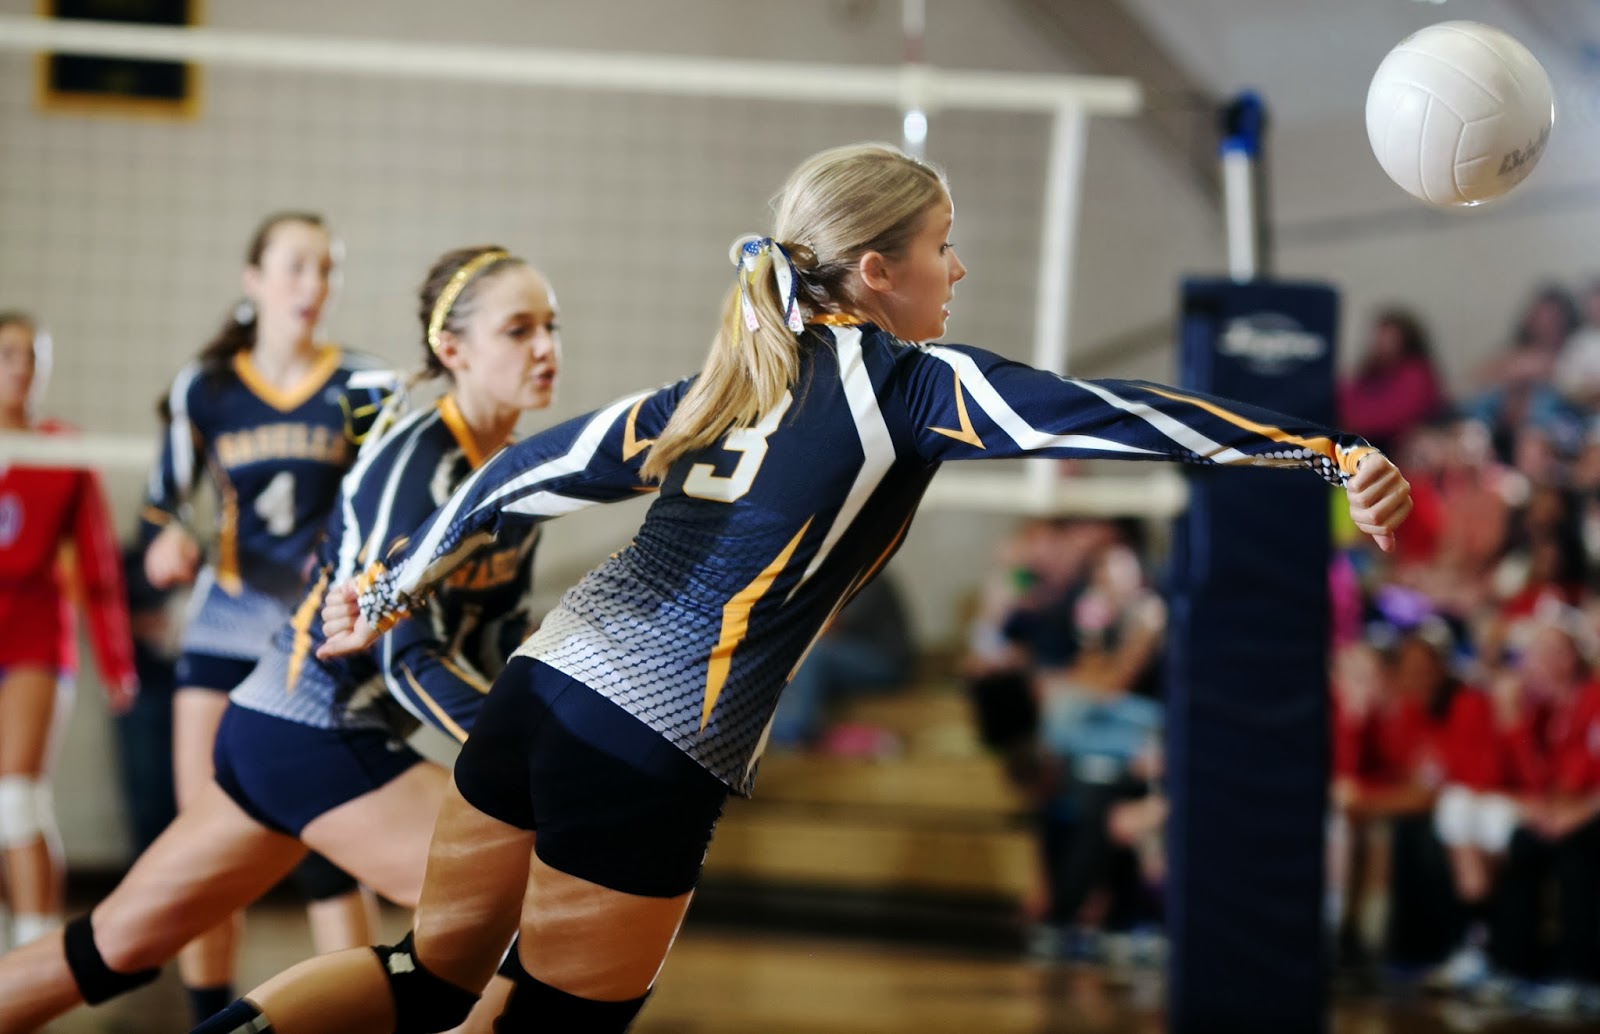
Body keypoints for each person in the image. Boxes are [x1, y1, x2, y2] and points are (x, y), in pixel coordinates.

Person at [205, 142, 1413, 1034]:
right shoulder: (915, 384)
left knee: (432, 976)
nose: (958, 268)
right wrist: (1325, 451)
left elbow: (530, 468)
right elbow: (1120, 416)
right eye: (942, 246)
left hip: (536, 695)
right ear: (879, 271)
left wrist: (400, 580)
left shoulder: (727, 376)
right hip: (650, 742)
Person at [0, 245, 559, 1032]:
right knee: (537, 896)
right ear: (453, 349)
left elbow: (492, 633)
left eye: (552, 326)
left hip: (277, 730)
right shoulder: (419, 462)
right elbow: (407, 656)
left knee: (107, 950)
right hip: (314, 726)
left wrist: (550, 692)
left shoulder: (511, 476)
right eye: (519, 329)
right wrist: (542, 759)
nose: (545, 348)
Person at [139, 212, 393, 1021]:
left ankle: (359, 1020)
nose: (312, 286)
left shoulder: (364, 386)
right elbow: (158, 510)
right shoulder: (204, 389)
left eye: (327, 269)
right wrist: (167, 546)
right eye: (295, 267)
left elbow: (388, 511)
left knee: (328, 852)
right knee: (201, 854)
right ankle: (206, 1016)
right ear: (254, 280)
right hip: (221, 631)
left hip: (311, 644)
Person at [0, 312, 137, 953]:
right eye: (8, 354)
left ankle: (32, 959)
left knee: (16, 799)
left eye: (33, 356)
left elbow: (98, 568)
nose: (21, 367)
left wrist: (116, 663)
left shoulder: (62, 451)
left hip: (32, 638)